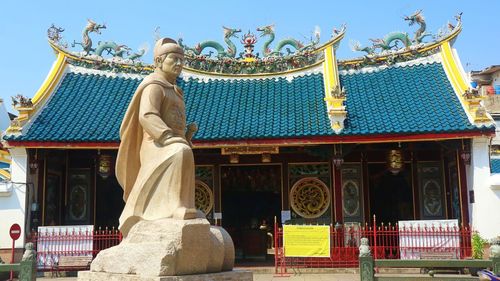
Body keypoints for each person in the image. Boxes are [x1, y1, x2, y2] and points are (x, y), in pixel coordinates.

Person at [116, 38, 200, 236]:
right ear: (159, 61)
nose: (179, 64)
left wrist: (187, 135)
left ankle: (184, 204)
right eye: (174, 59)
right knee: (180, 151)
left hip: (172, 140)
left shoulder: (176, 91)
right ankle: (173, 207)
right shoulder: (153, 86)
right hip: (154, 143)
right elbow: (147, 115)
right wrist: (167, 136)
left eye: (182, 59)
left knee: (185, 150)